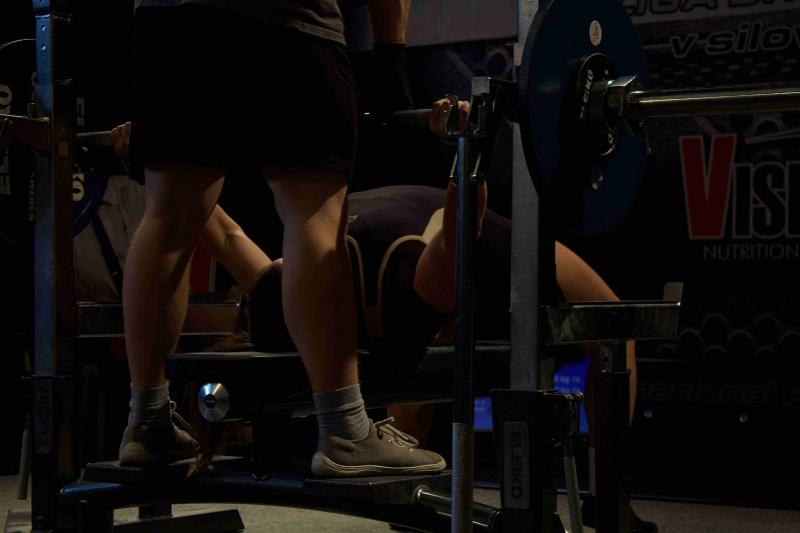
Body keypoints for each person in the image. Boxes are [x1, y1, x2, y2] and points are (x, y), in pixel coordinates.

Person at [119, 0, 446, 477]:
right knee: (313, 215)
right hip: (290, 23)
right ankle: (345, 430)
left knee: (167, 217)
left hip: (172, 21)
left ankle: (146, 422)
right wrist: (392, 57)